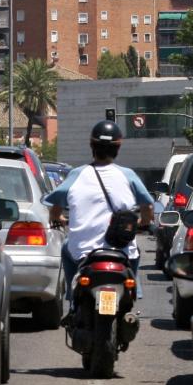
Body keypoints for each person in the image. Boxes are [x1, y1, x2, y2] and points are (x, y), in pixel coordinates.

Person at [42, 119, 155, 303]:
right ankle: (133, 294)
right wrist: (144, 221)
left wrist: (57, 217)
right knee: (135, 252)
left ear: (91, 145)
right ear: (117, 148)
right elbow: (148, 206)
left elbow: (56, 205)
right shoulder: (128, 175)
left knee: (65, 247)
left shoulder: (76, 174)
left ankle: (73, 299)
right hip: (121, 252)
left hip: (83, 253)